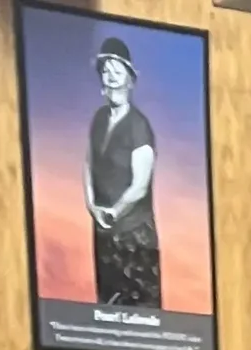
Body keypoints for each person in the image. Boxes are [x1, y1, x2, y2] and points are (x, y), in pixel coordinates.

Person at [84, 35, 160, 308]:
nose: (111, 77)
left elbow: (140, 186)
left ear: (130, 78)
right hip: (103, 234)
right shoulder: (98, 119)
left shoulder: (139, 126)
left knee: (142, 316)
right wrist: (92, 206)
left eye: (117, 72)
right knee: (107, 307)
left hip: (135, 237)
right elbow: (89, 163)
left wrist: (113, 212)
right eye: (106, 71)